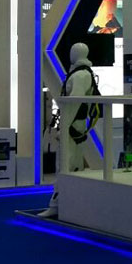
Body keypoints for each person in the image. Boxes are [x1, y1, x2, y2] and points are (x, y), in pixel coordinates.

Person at [40, 42, 100, 217]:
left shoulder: (80, 76)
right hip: (75, 125)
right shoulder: (82, 73)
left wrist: (64, 127)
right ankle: (71, 203)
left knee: (65, 165)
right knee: (73, 165)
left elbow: (74, 104)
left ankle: (57, 204)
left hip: (72, 126)